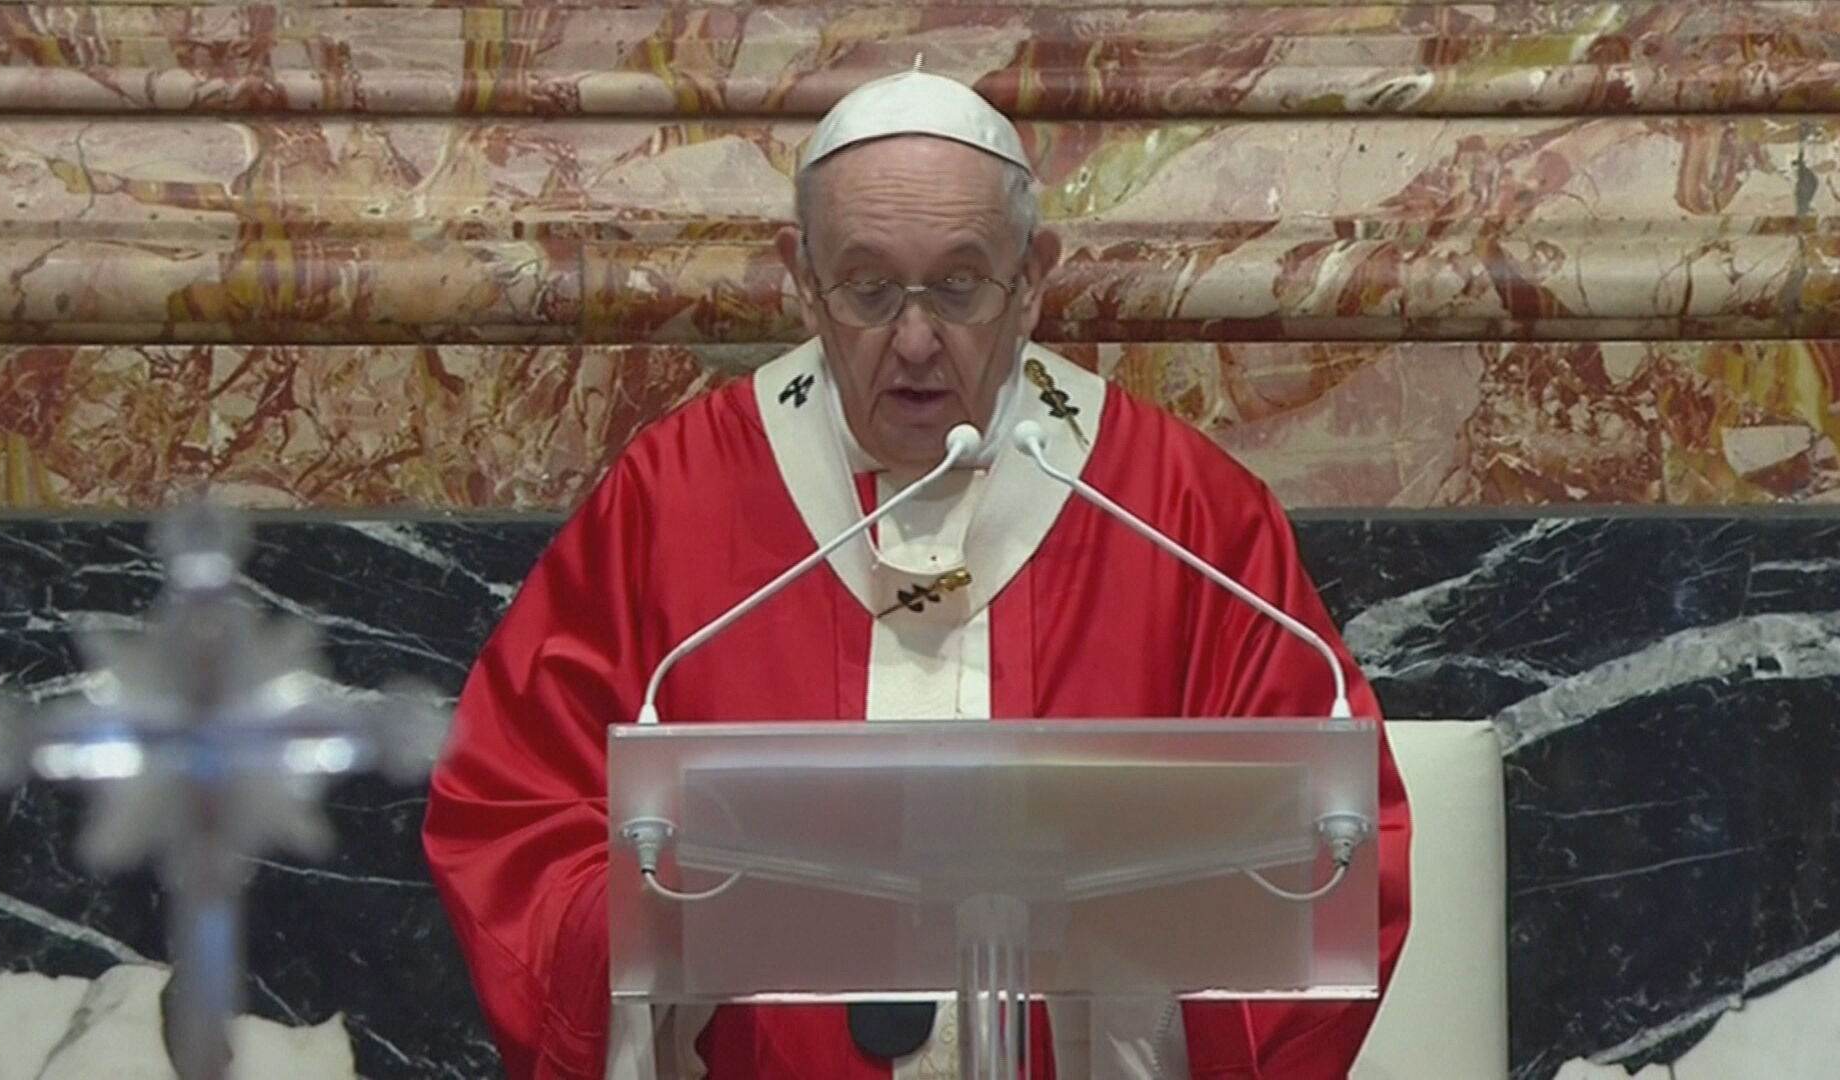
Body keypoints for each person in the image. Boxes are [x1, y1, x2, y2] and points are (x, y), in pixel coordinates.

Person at [423, 69, 1411, 1079]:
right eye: (865, 288)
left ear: (1032, 277)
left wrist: (1135, 955)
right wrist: (661, 923)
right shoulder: (675, 501)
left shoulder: (1180, 512)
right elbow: (511, 815)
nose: (914, 339)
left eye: (959, 285)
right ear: (800, 278)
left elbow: (1338, 848)